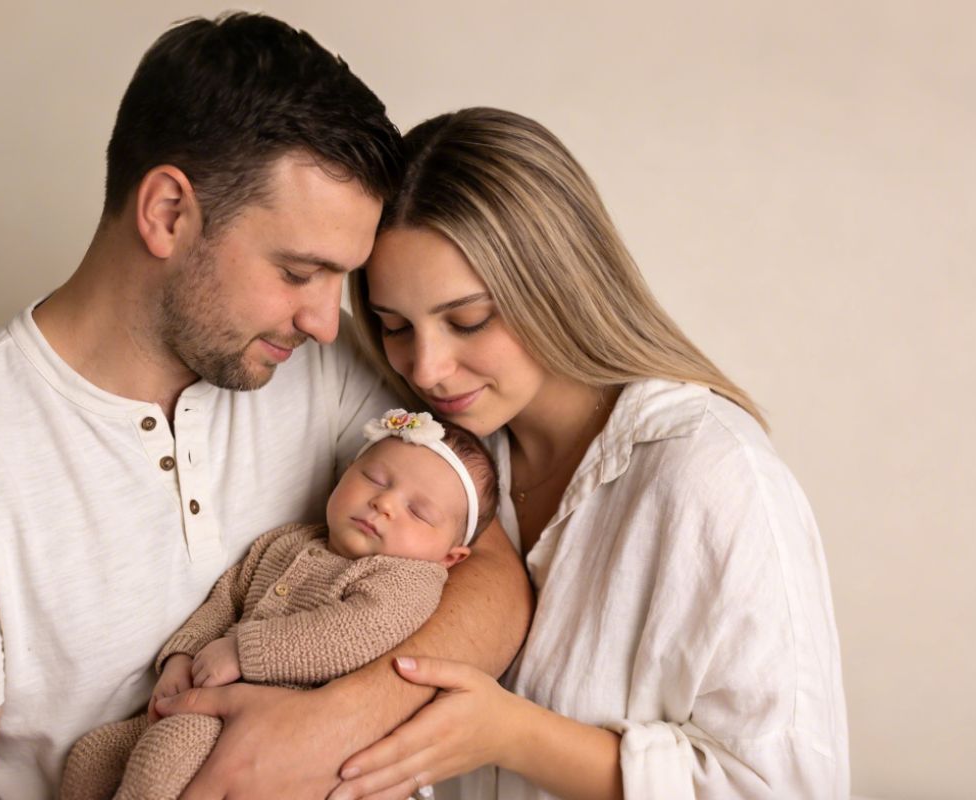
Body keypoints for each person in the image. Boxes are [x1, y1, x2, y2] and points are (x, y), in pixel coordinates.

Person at [0, 14, 532, 800]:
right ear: (167, 212)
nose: (326, 322)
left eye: (340, 279)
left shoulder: (322, 375)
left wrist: (334, 723)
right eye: (300, 272)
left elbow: (493, 576)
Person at [327, 107, 849, 799]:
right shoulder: (438, 459)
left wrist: (512, 736)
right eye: (395, 326)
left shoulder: (714, 478)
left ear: (559, 283)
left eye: (468, 320)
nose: (427, 368)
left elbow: (786, 787)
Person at [59, 410, 500, 800]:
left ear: (450, 557)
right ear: (344, 472)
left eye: (418, 512)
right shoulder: (288, 541)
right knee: (92, 756)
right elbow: (226, 598)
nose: (383, 503)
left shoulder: (410, 579)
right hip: (206, 697)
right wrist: (182, 657)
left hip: (287, 728)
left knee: (168, 752)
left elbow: (355, 632)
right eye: (375, 479)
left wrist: (242, 651)